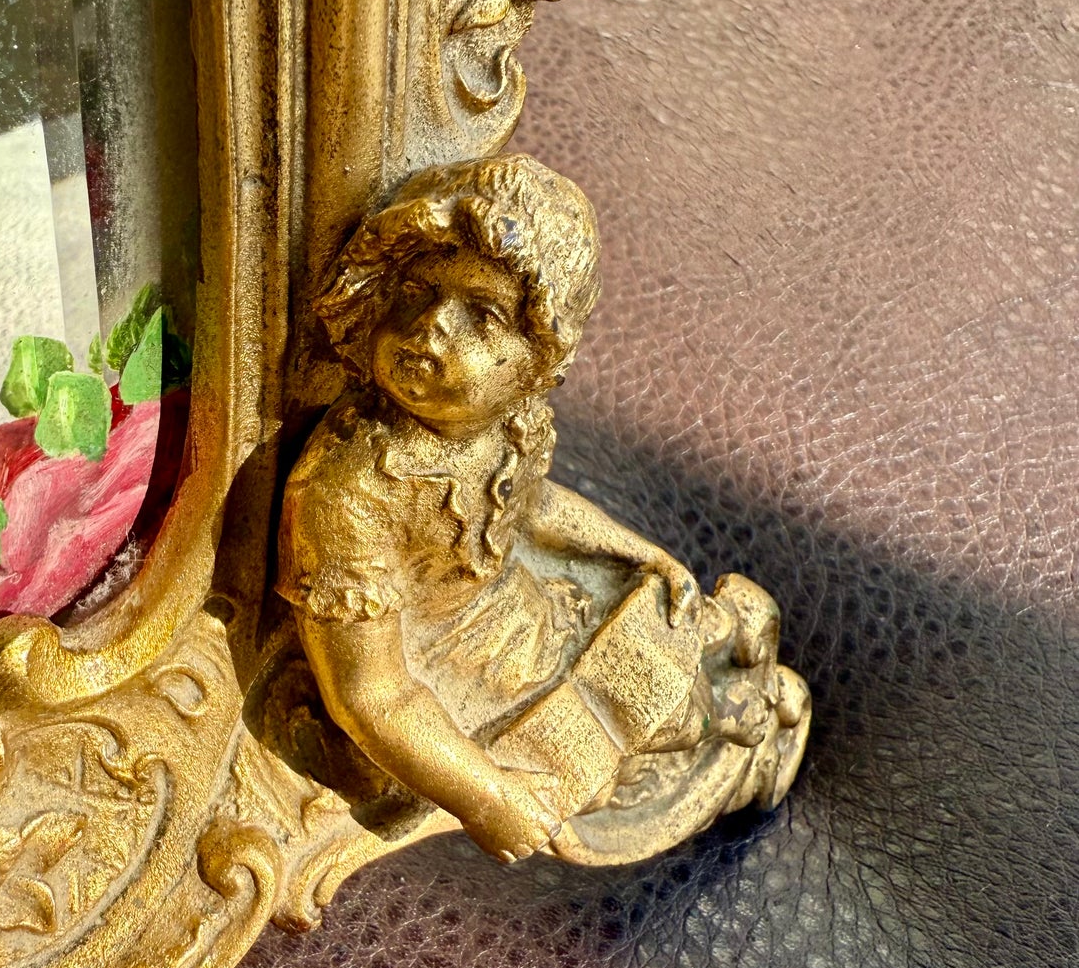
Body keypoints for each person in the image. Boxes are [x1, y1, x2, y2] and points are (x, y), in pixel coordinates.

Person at [277, 153, 809, 864]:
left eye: (483, 315)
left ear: (536, 362)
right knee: (638, 741)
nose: (432, 327)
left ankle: (742, 707)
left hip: (523, 611)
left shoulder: (509, 423)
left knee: (667, 646)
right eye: (416, 289)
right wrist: (486, 795)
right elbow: (374, 693)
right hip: (450, 687)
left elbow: (528, 509)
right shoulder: (350, 491)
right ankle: (738, 752)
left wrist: (637, 553)